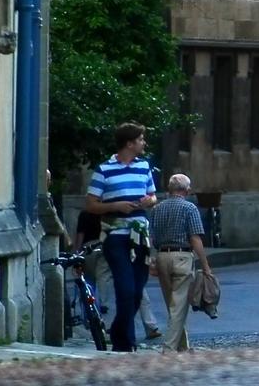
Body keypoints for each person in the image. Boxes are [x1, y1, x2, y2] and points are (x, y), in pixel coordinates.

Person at [84, 123, 160, 352]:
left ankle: (119, 333)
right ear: (129, 143)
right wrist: (115, 205)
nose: (143, 143)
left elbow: (153, 196)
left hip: (140, 235)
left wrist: (149, 201)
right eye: (141, 139)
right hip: (115, 235)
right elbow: (90, 205)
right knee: (125, 288)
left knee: (137, 290)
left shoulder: (144, 167)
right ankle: (124, 341)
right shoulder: (104, 169)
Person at [75, 207, 162, 343]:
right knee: (134, 284)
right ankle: (150, 325)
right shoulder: (113, 210)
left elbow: (80, 234)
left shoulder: (86, 212)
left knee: (100, 285)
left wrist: (77, 252)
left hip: (93, 248)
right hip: (112, 245)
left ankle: (105, 324)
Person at [149, 173, 214, 352]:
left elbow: (152, 237)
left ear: (170, 189)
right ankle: (169, 349)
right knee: (178, 306)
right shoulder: (190, 208)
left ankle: (183, 347)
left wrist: (152, 259)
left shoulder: (157, 209)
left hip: (162, 256)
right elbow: (195, 239)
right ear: (187, 190)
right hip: (182, 257)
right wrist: (205, 265)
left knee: (173, 303)